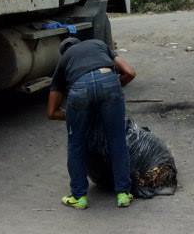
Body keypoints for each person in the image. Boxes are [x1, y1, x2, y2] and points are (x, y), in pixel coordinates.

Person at [46, 37, 137, 209]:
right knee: (117, 140)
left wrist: (76, 117)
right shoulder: (98, 44)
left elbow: (51, 112)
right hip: (109, 81)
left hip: (80, 89)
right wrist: (113, 87)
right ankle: (123, 194)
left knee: (76, 145)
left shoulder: (65, 60)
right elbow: (130, 73)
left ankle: (79, 197)